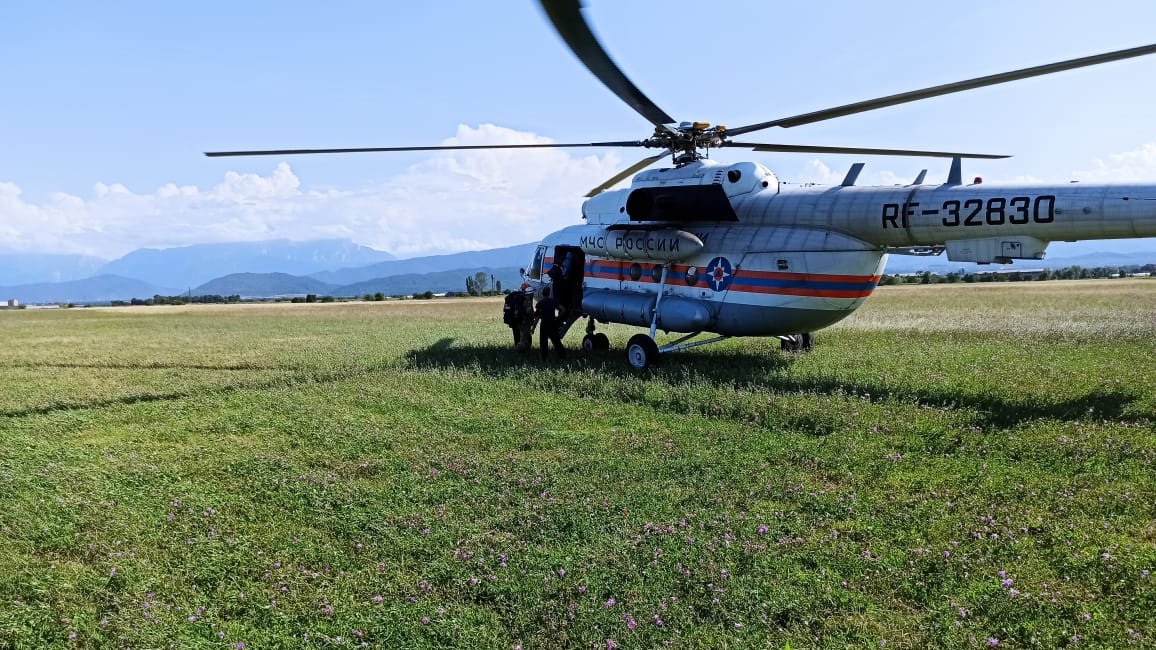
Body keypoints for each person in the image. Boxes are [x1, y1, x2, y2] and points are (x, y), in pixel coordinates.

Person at [534, 286, 566, 360]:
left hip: (544, 324)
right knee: (556, 341)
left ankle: (544, 357)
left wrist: (533, 328)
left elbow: (537, 317)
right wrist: (557, 318)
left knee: (543, 342)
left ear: (542, 293)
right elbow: (563, 309)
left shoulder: (540, 303)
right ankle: (562, 356)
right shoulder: (554, 301)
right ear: (549, 293)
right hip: (552, 323)